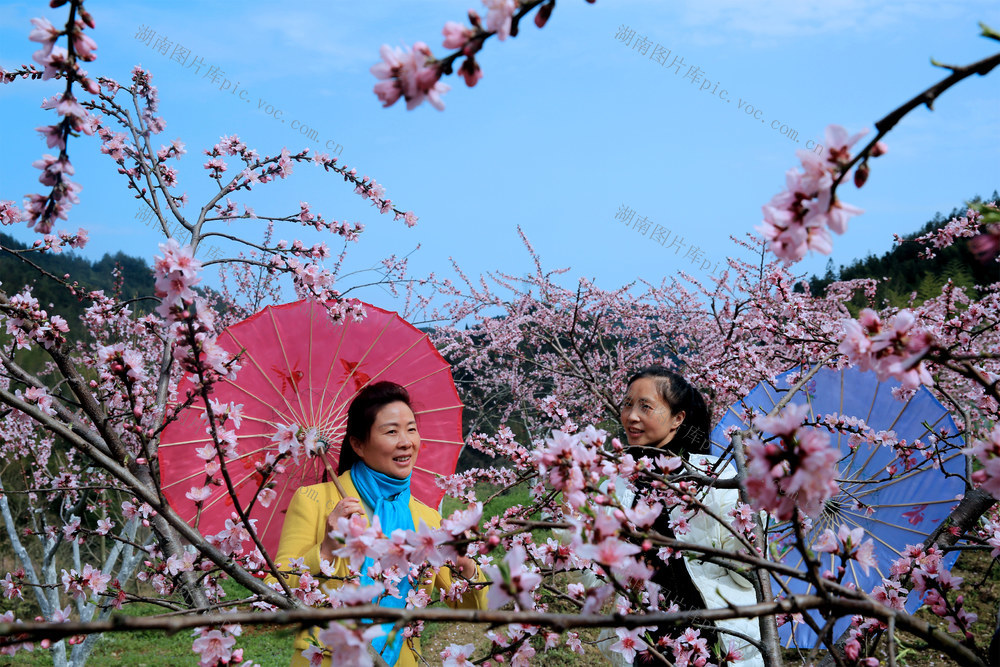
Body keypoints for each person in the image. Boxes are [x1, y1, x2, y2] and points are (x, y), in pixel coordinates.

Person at [272, 381, 487, 667]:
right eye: (391, 431)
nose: (406, 441)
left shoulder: (428, 519)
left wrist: (465, 563)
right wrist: (326, 548)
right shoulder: (315, 501)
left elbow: (470, 607)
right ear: (358, 444)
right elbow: (274, 592)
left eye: (411, 429)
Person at [610, 366, 763, 666]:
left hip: (712, 636)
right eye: (627, 404)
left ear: (678, 419)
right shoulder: (613, 482)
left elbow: (747, 574)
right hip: (645, 640)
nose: (631, 416)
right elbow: (596, 570)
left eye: (645, 406)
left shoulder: (714, 478)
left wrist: (755, 520)